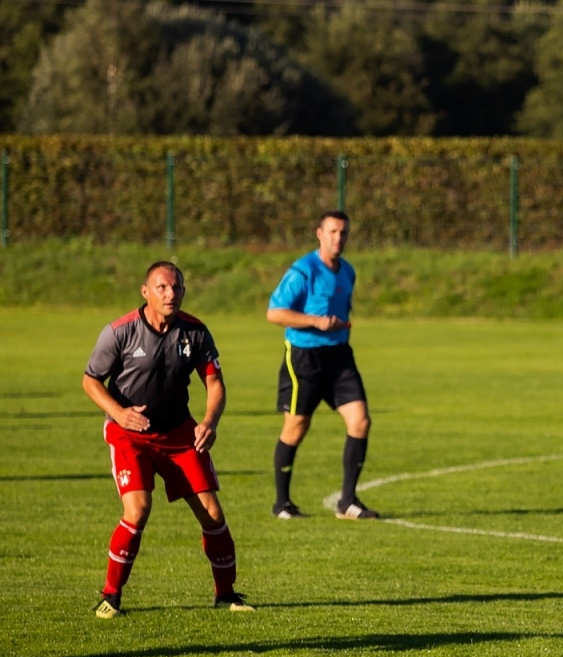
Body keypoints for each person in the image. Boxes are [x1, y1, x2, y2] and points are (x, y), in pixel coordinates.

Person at [83, 262, 251, 618]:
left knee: (213, 514)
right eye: (162, 287)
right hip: (131, 436)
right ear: (145, 292)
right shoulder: (119, 332)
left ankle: (226, 594)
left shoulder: (196, 333)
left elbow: (215, 384)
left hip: (179, 434)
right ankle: (111, 596)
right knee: (138, 510)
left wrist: (209, 421)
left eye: (176, 288)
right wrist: (119, 412)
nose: (170, 294)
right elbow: (91, 381)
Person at [267, 210, 376, 520]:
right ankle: (282, 503)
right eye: (332, 232)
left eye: (343, 232)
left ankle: (348, 502)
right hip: (304, 358)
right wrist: (315, 321)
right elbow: (274, 313)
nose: (338, 238)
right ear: (319, 233)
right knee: (297, 426)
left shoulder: (348, 271)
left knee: (360, 421)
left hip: (339, 356)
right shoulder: (303, 271)